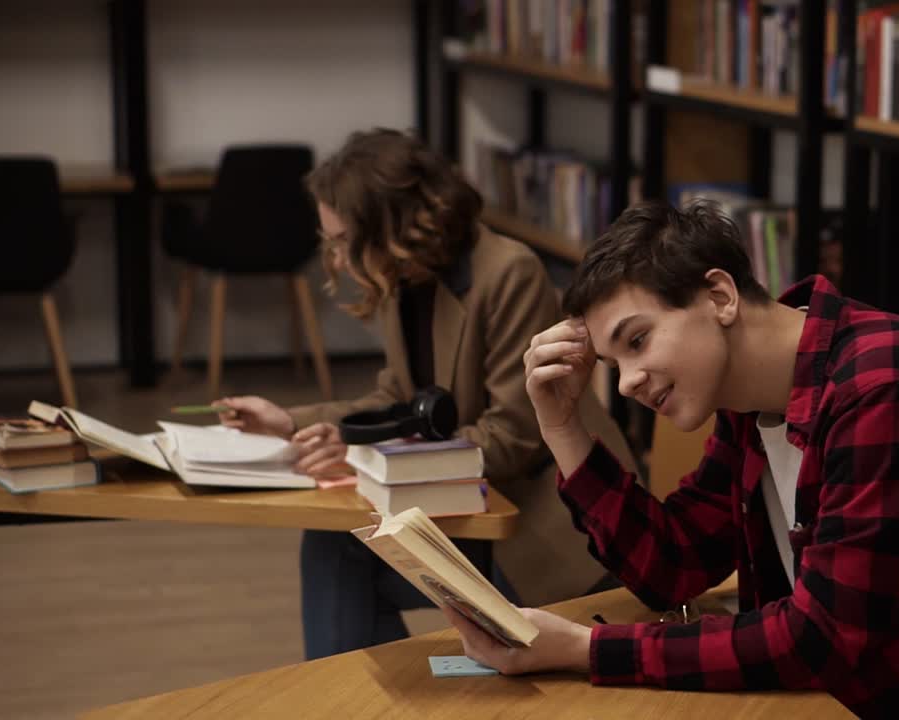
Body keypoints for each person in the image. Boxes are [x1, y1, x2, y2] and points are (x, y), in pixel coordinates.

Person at [442, 201, 899, 718]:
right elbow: (675, 566)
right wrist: (561, 427)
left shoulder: (884, 390)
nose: (626, 380)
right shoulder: (753, 399)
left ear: (719, 295)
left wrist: (586, 651)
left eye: (636, 341)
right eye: (611, 361)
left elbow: (822, 641)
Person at [217, 128, 636, 660]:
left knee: (343, 554)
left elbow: (510, 442)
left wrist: (362, 453)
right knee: (335, 542)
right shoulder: (406, 276)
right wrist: (289, 423)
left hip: (541, 533)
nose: (338, 261)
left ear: (392, 229)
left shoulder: (509, 272)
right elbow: (399, 400)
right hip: (477, 514)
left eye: (343, 241)